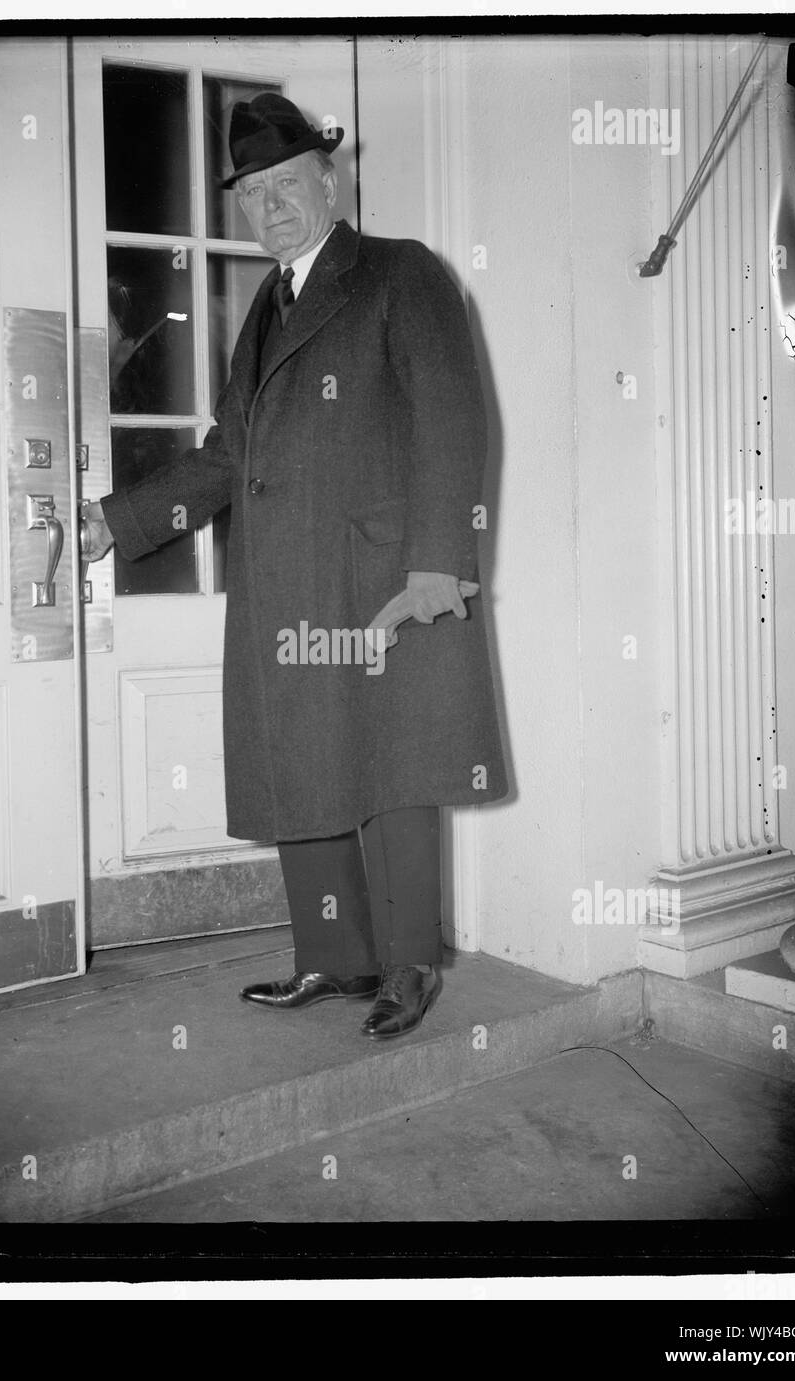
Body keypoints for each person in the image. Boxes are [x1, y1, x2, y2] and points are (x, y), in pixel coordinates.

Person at [83, 93, 506, 1038]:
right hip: (285, 582)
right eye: (251, 193)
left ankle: (408, 968)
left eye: (285, 183)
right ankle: (336, 960)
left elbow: (453, 418)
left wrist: (439, 563)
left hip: (384, 582)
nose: (269, 205)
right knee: (304, 768)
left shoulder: (402, 275)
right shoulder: (266, 312)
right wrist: (118, 522)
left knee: (397, 768)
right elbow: (227, 453)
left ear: (328, 178)